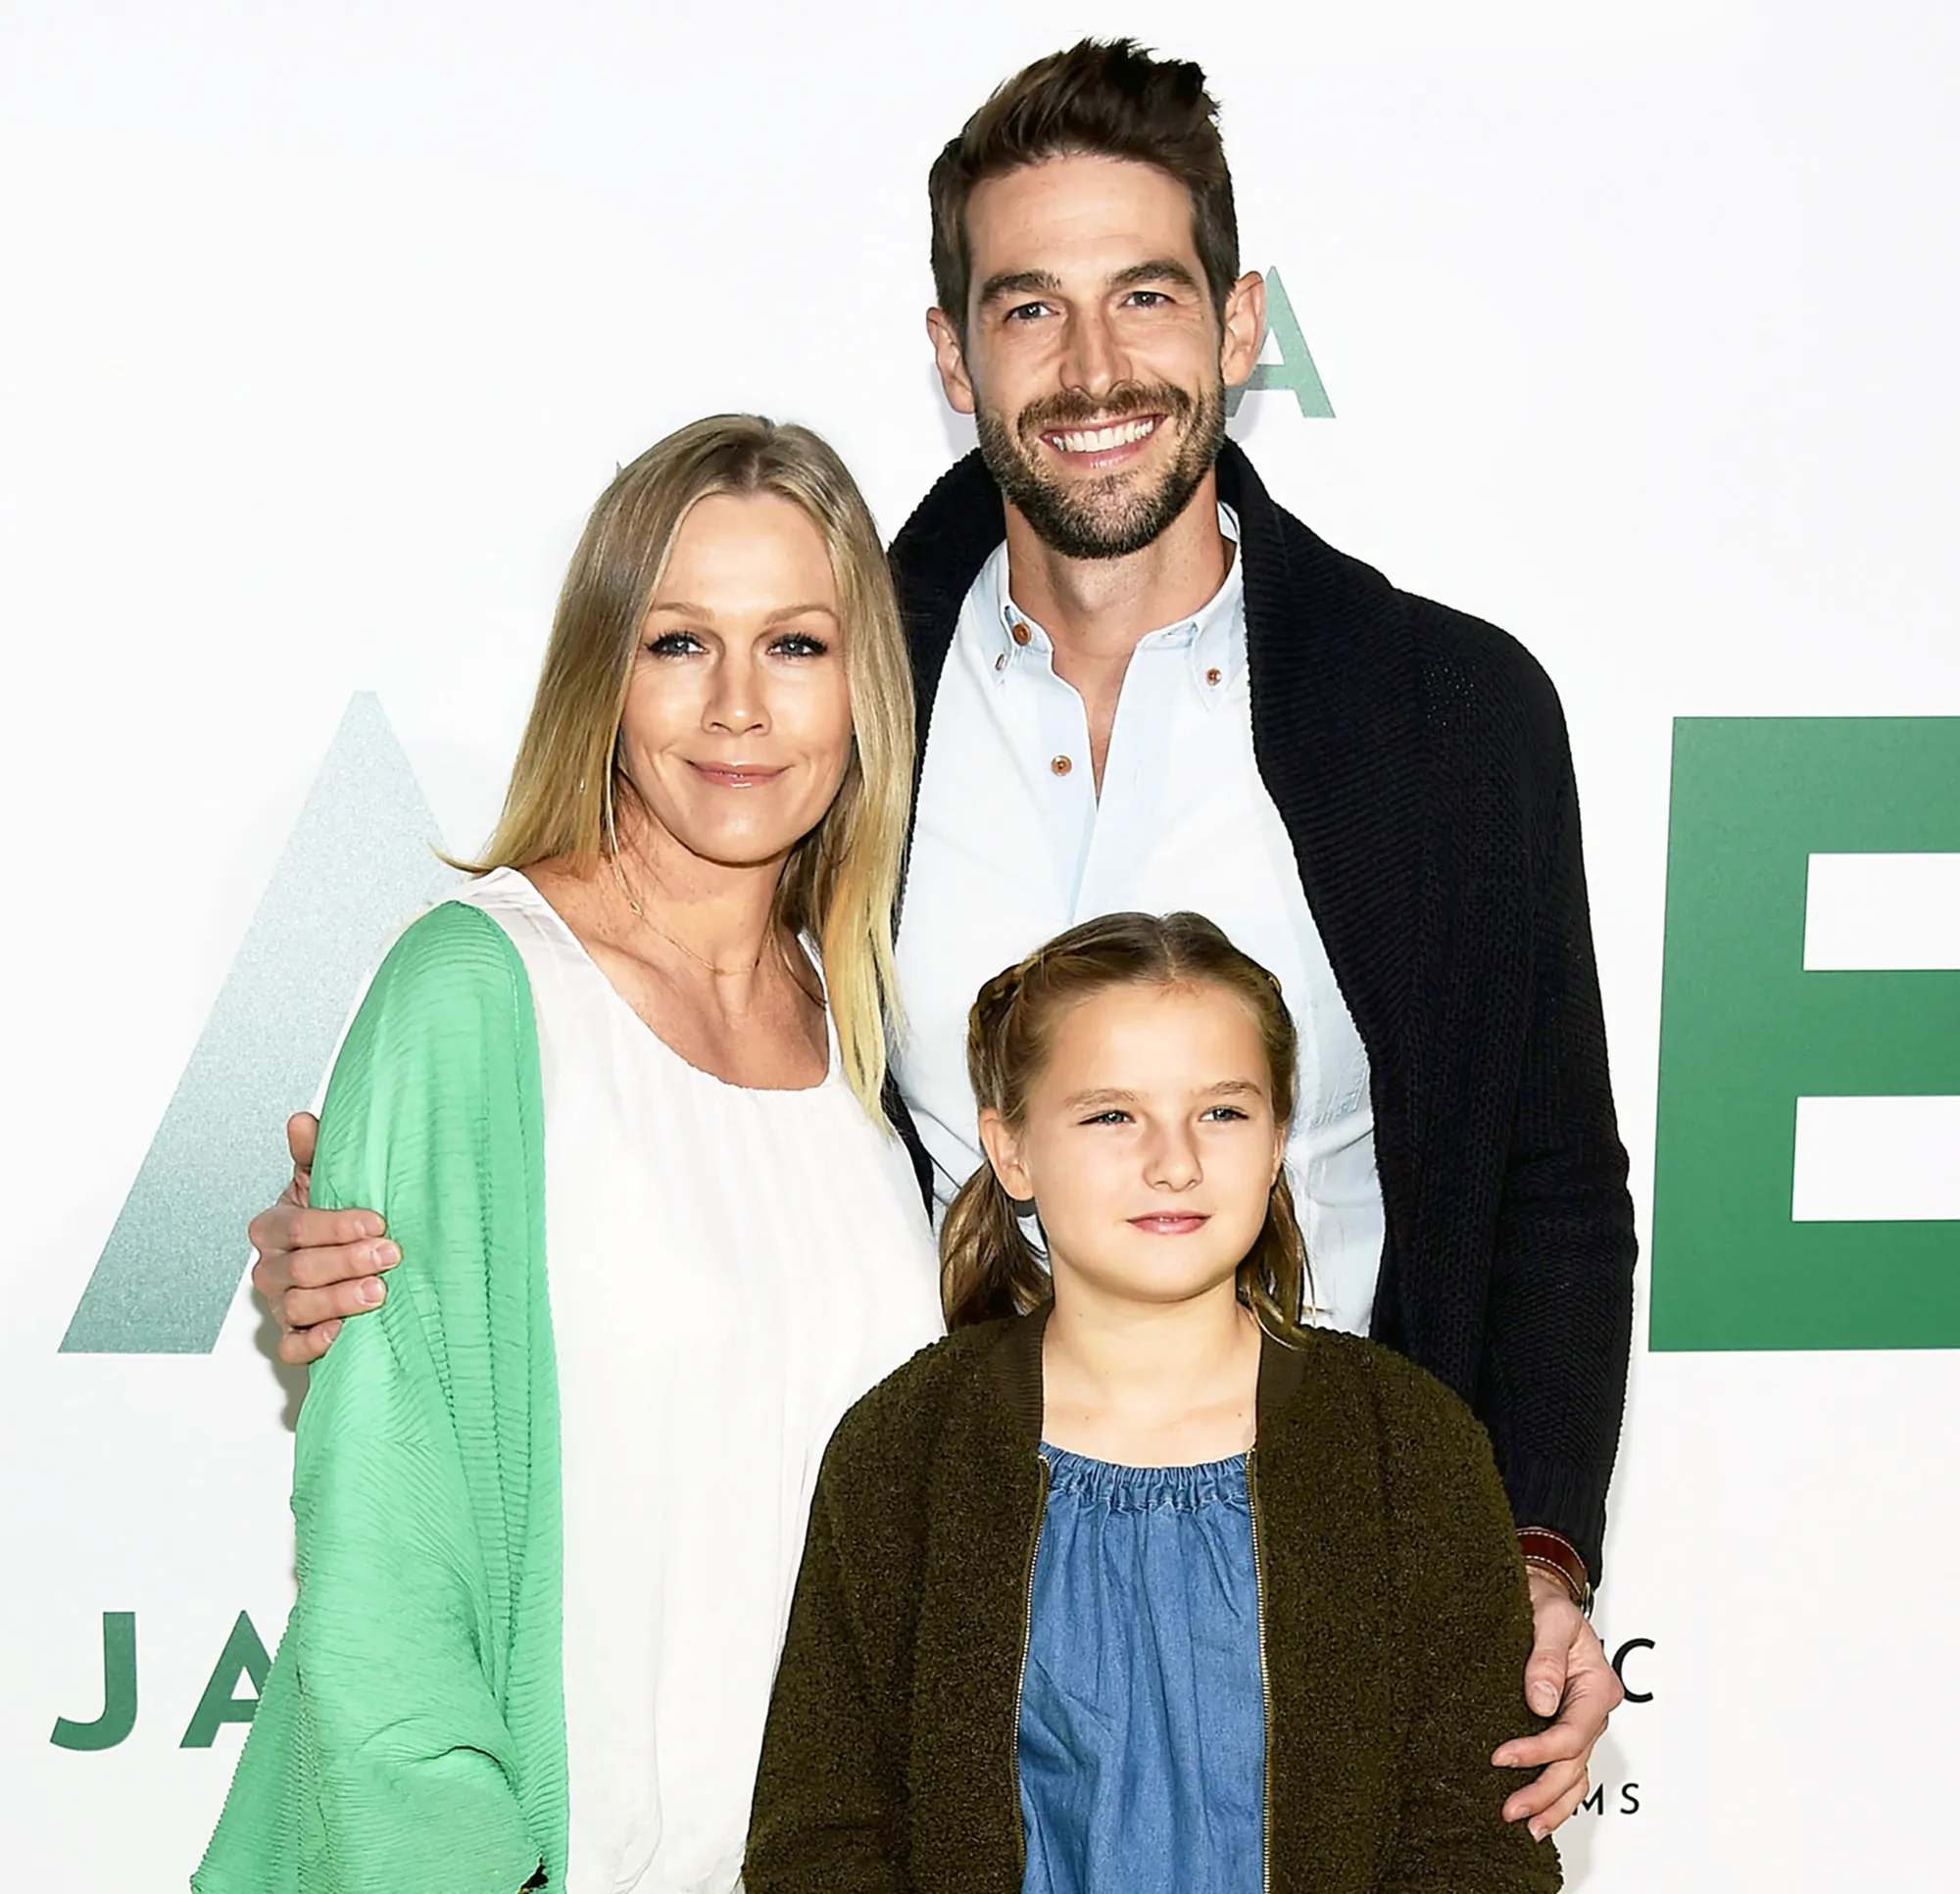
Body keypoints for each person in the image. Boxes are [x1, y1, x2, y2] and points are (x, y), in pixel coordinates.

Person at [246, 40, 1637, 1834]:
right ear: (950, 353)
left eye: (1144, 295)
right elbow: (642, 1028)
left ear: (1240, 325)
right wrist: (394, 1251)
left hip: (1327, 1626)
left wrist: (1530, 1549)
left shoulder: (1453, 713)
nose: (1090, 369)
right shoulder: (847, 679)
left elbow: (1551, 1186)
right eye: (1026, 308)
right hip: (928, 1637)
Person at [193, 415, 944, 1894]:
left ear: (862, 688)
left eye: (794, 644)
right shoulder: (475, 992)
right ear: (606, 674)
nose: (739, 707)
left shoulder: (863, 1035)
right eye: (679, 644)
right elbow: (385, 1572)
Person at [745, 911, 1562, 1893]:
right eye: (1110, 1115)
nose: (1173, 1161)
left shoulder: (1408, 1444)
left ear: (1275, 1143)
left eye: (1221, 1111)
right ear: (1009, 1149)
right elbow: (821, 1833)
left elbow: (1477, 1837)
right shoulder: (906, 1445)